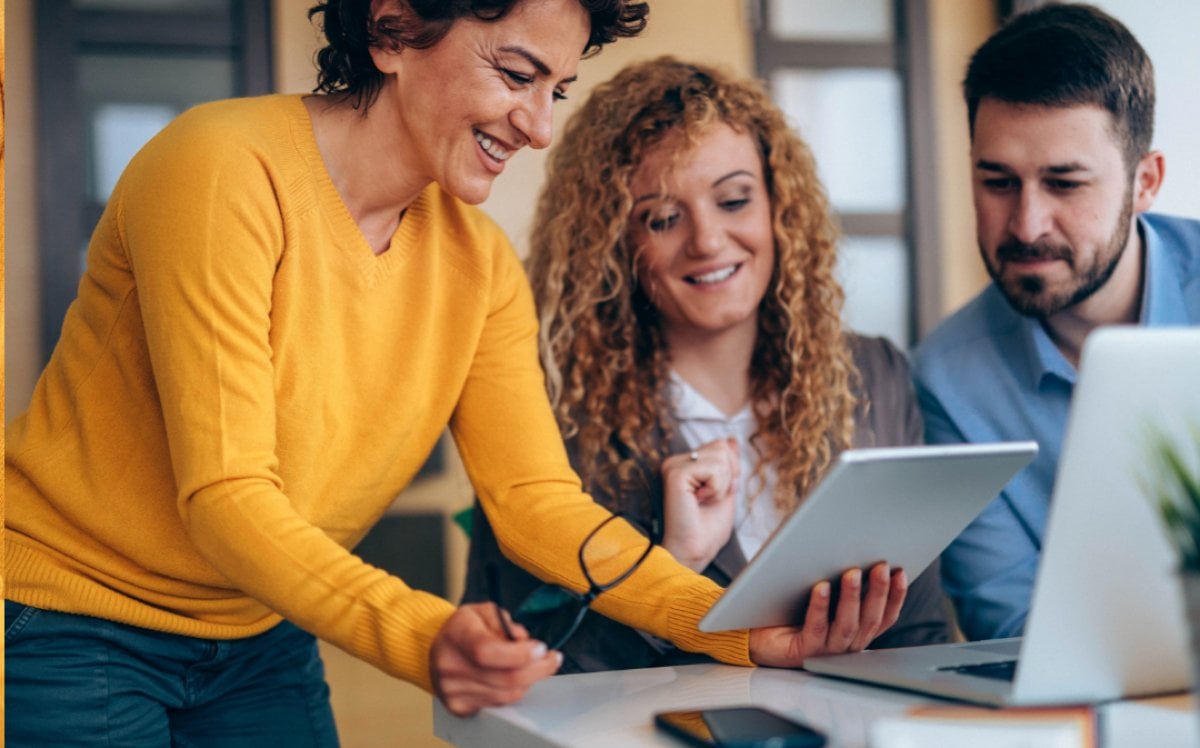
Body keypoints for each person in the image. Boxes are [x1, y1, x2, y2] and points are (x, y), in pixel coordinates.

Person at [0, 1, 792, 743]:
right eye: (516, 76)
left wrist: (734, 624)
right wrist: (426, 634)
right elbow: (226, 496)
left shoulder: (478, 266)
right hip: (71, 618)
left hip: (257, 630)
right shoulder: (222, 168)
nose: (541, 126)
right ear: (392, 30)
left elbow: (533, 502)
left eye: (557, 88)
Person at [464, 56, 952, 673]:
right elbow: (516, 667)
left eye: (733, 200)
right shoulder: (546, 414)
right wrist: (674, 565)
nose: (708, 241)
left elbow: (923, 634)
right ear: (616, 243)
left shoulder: (874, 376)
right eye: (663, 219)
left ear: (779, 206)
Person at [913, 2, 1200, 642]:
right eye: (998, 182)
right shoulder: (948, 379)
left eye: (1065, 184)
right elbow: (1016, 629)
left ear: (1144, 181)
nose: (1025, 224)